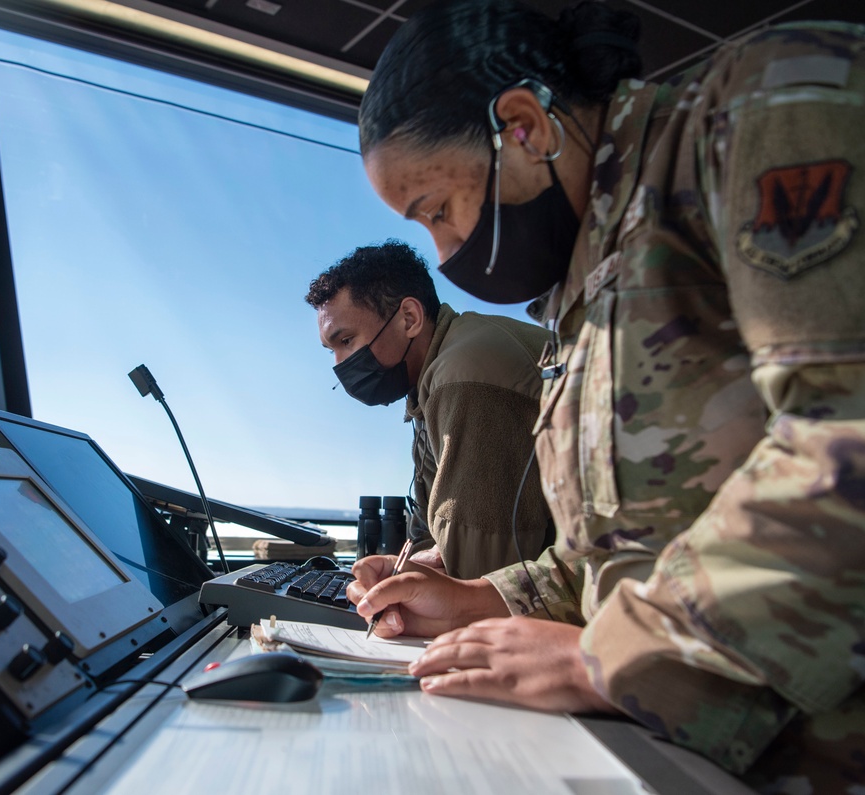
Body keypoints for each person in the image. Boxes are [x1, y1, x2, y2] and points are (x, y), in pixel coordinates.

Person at [345, 1, 865, 791]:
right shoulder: (586, 283)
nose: (445, 255)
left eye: (438, 213)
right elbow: (614, 551)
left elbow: (845, 437)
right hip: (688, 744)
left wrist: (608, 659)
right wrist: (478, 598)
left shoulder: (764, 109)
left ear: (523, 125)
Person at [306, 239, 553, 578]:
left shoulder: (465, 375)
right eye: (330, 350)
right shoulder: (431, 382)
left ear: (409, 318)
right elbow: (430, 540)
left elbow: (479, 573)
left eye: (346, 341)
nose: (339, 364)